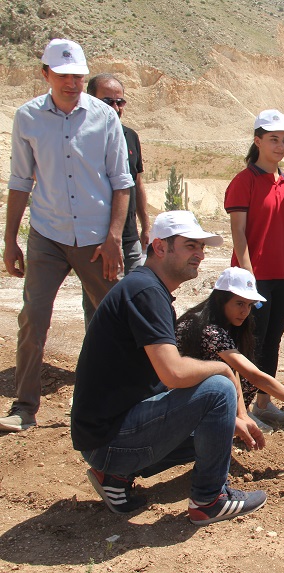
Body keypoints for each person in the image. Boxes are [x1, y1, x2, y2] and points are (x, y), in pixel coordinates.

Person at [71, 210, 270, 525]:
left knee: (216, 431)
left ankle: (115, 477)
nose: (200, 255)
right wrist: (220, 371)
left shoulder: (147, 288)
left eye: (202, 248)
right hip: (108, 440)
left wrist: (232, 416)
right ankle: (209, 500)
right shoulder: (146, 291)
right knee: (217, 390)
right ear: (160, 247)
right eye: (191, 246)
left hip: (105, 438)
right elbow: (173, 373)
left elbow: (163, 379)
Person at [1, 39, 133, 432]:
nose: (71, 83)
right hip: (47, 233)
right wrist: (10, 240)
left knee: (118, 320)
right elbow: (21, 181)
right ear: (46, 75)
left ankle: (129, 400)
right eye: (63, 76)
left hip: (96, 240)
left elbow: (121, 182)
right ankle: (24, 407)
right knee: (33, 317)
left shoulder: (104, 117)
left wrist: (113, 239)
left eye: (77, 76)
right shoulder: (27, 118)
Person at [175, 266, 284, 435]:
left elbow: (237, 372)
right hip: (182, 402)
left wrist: (243, 413)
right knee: (242, 378)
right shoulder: (209, 330)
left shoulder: (225, 323)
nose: (245, 311)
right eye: (239, 303)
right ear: (221, 299)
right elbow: (255, 376)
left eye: (249, 305)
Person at [225, 109, 284, 431]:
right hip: (253, 280)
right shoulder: (244, 182)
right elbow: (238, 234)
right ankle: (240, 410)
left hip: (283, 276)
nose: (280, 146)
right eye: (274, 139)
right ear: (258, 141)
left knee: (272, 341)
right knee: (249, 344)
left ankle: (264, 404)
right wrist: (247, 280)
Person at [80, 73, 150, 324]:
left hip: (129, 237)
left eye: (121, 102)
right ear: (90, 99)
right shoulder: (80, 138)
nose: (116, 108)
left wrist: (146, 226)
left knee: (135, 301)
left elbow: (137, 183)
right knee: (100, 306)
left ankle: (127, 362)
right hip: (97, 239)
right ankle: (96, 361)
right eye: (108, 101)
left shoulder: (130, 136)